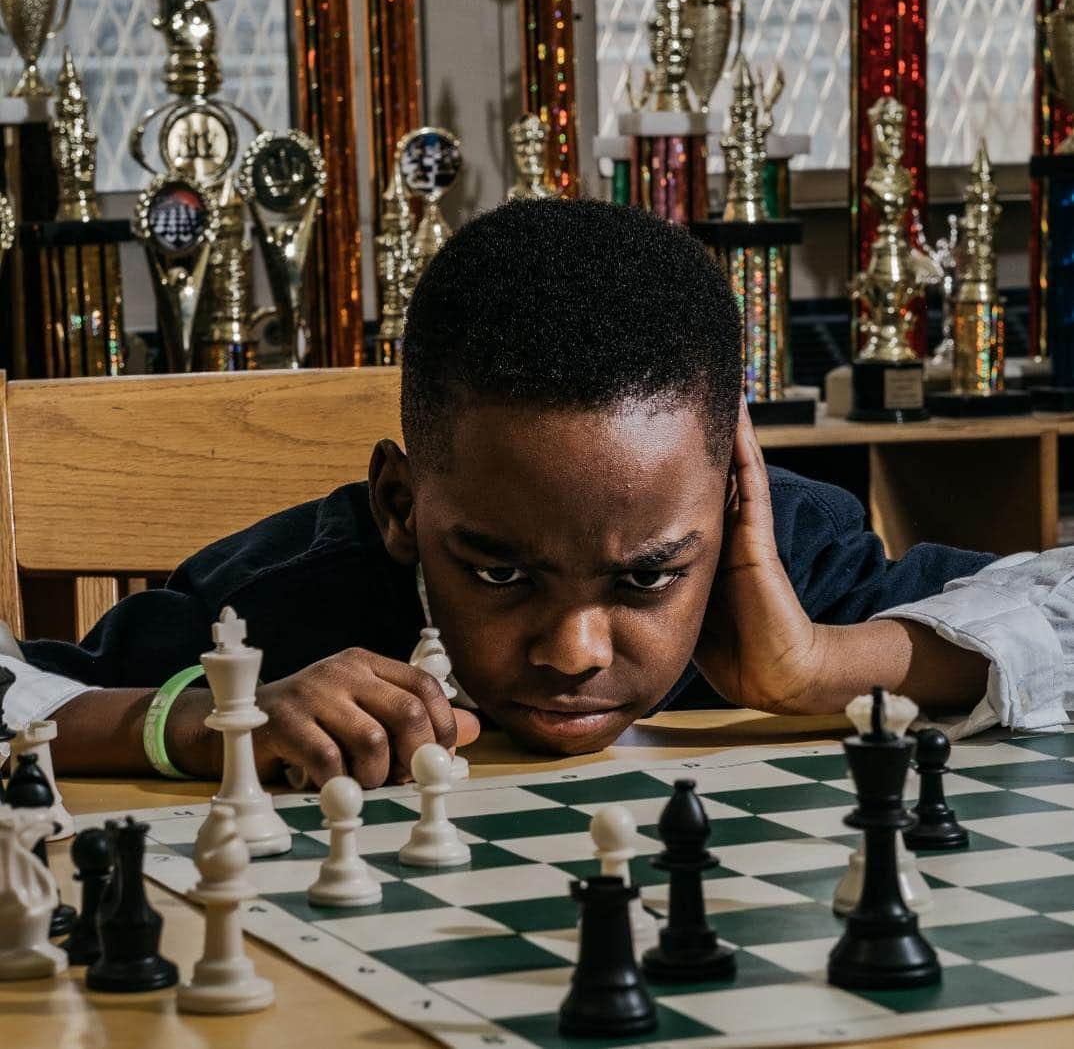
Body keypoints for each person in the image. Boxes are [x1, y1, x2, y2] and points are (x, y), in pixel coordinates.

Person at [4, 200, 1072, 789]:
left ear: (732, 502)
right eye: (499, 570)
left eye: (650, 576)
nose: (573, 650)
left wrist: (824, 662)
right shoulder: (288, 596)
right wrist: (192, 721)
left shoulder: (790, 560)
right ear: (398, 505)